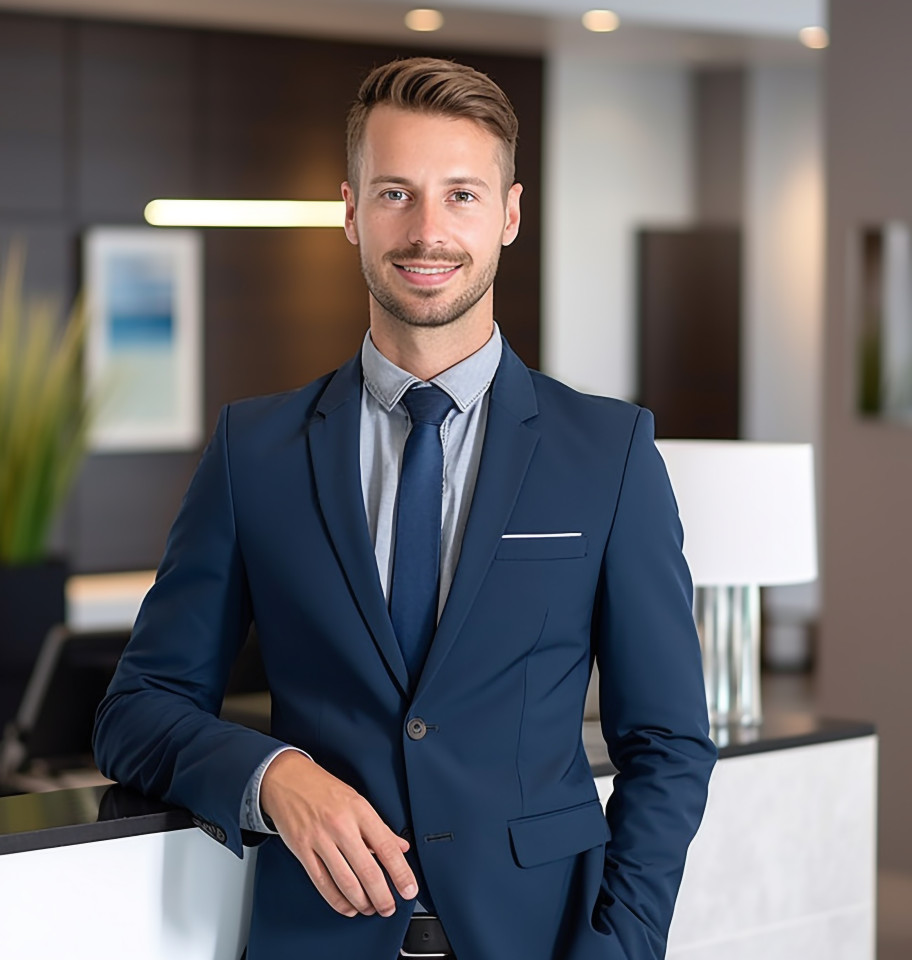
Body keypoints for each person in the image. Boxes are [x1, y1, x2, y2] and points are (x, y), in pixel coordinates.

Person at [93, 56, 717, 960]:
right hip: (316, 937)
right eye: (396, 193)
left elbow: (666, 743)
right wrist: (274, 775)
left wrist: (619, 949)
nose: (429, 231)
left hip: (541, 938)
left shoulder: (609, 452)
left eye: (461, 195)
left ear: (509, 215)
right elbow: (137, 708)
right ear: (350, 212)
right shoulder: (254, 452)